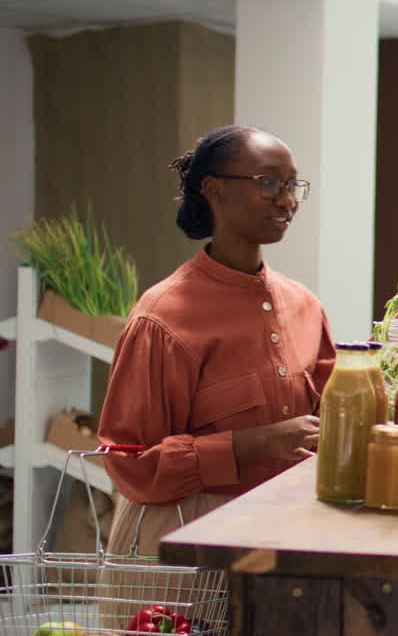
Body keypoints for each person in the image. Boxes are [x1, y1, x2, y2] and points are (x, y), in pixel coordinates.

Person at [97, 125, 335, 561]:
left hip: (284, 542)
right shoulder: (163, 316)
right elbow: (129, 464)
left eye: (293, 184)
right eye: (269, 183)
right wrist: (252, 442)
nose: (288, 200)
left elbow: (332, 423)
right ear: (215, 190)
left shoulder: (305, 306)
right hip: (182, 549)